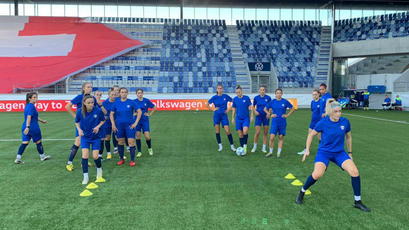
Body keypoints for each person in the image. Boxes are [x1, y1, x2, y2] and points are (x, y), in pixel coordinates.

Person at [296, 99, 370, 212]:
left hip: (339, 152)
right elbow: (311, 135)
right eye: (336, 111)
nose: (339, 114)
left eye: (340, 111)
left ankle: (358, 202)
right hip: (324, 152)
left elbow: (348, 137)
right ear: (330, 112)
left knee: (355, 172)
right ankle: (302, 191)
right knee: (317, 174)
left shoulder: (345, 122)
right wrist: (307, 150)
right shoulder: (323, 122)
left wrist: (350, 153)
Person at [65, 82, 97, 171]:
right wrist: (76, 117)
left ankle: (84, 162)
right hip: (82, 125)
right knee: (78, 142)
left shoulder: (93, 98)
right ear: (83, 88)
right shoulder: (80, 97)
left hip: (90, 124)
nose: (90, 88)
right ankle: (69, 163)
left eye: (91, 87)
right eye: (88, 87)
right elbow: (67, 106)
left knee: (88, 142)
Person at [75, 95, 106, 184]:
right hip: (85, 137)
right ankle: (85, 177)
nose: (91, 104)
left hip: (96, 137)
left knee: (95, 156)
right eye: (89, 103)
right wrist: (79, 129)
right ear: (84, 103)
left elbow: (103, 120)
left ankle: (99, 172)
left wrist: (98, 127)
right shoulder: (80, 112)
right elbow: (76, 122)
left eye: (92, 102)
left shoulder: (98, 111)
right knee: (85, 156)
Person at [14, 92, 51, 164]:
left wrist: (41, 121)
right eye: (34, 97)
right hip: (33, 127)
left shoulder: (27, 105)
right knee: (38, 142)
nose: (36, 99)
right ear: (29, 98)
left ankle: (18, 158)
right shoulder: (31, 106)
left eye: (36, 97)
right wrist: (28, 127)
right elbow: (29, 117)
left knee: (24, 143)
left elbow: (33, 116)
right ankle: (42, 156)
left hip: (24, 127)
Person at [110, 87, 142, 167]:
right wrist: (113, 124)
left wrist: (135, 123)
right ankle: (121, 159)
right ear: (119, 93)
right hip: (119, 126)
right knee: (120, 142)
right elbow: (111, 114)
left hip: (129, 126)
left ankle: (132, 160)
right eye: (122, 92)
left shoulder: (131, 102)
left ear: (127, 93)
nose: (123, 93)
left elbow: (139, 111)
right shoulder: (116, 103)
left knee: (131, 142)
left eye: (125, 92)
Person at [264, 88, 295, 158]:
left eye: (280, 93)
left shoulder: (285, 101)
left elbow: (293, 108)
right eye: (277, 93)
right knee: (272, 137)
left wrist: (287, 115)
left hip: (282, 122)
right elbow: (265, 109)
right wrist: (270, 114)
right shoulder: (272, 102)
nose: (279, 94)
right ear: (275, 94)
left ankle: (278, 153)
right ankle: (270, 152)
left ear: (282, 94)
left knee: (280, 137)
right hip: (274, 122)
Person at [206, 84, 236, 152]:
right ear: (216, 90)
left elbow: (233, 102)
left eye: (221, 88)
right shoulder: (214, 97)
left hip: (224, 116)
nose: (220, 90)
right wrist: (213, 109)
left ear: (222, 89)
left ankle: (232, 146)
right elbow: (207, 104)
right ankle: (220, 146)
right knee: (217, 131)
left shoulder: (225, 96)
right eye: (218, 88)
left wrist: (228, 109)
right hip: (216, 116)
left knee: (227, 131)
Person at [134, 88, 157, 157]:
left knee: (147, 136)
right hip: (137, 121)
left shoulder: (146, 101)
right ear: (136, 94)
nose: (140, 94)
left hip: (144, 121)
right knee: (138, 136)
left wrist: (150, 114)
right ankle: (139, 151)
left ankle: (149, 148)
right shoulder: (134, 102)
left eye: (141, 93)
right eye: (138, 93)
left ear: (142, 93)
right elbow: (130, 109)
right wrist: (133, 114)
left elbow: (154, 107)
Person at [232, 85, 253, 155]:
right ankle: (242, 148)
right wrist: (232, 118)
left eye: (239, 92)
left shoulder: (246, 98)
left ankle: (245, 146)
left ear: (241, 92)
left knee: (245, 131)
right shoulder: (235, 99)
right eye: (237, 92)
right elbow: (234, 109)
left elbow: (251, 107)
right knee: (240, 134)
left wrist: (252, 115)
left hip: (246, 118)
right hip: (238, 119)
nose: (238, 93)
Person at [298, 89, 321, 155]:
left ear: (319, 94)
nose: (314, 96)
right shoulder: (312, 102)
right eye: (313, 94)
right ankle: (306, 150)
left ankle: (322, 151)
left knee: (319, 137)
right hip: (313, 122)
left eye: (315, 94)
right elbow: (313, 111)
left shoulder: (321, 102)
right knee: (309, 135)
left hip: (319, 122)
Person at [251, 86, 271, 153]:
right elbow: (253, 107)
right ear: (259, 91)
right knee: (257, 132)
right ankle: (254, 147)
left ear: (265, 91)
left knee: (265, 133)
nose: (262, 91)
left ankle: (263, 148)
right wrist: (255, 112)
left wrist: (269, 113)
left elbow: (270, 107)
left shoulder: (268, 98)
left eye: (263, 90)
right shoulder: (256, 98)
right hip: (258, 116)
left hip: (266, 117)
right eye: (261, 90)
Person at [101, 88, 116, 159]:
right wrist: (104, 117)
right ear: (109, 95)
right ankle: (108, 153)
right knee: (107, 138)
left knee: (118, 138)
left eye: (115, 95)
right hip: (107, 123)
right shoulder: (104, 103)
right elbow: (101, 112)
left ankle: (119, 152)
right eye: (112, 95)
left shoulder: (117, 102)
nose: (113, 96)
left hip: (116, 122)